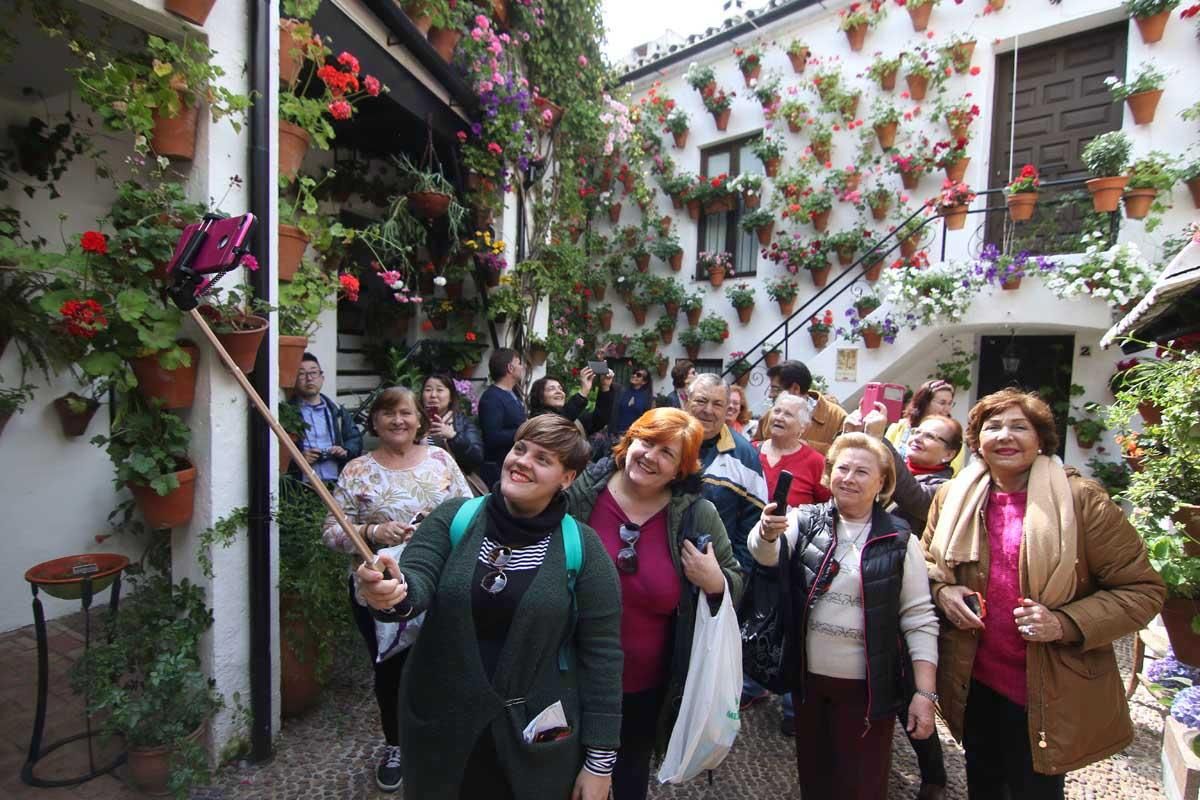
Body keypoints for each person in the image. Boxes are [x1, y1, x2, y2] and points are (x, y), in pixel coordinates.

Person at [354, 415, 623, 800]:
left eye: (543, 459)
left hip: (533, 736)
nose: (522, 462)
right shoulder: (454, 517)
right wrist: (391, 591)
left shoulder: (584, 549)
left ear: (567, 478)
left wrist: (599, 764)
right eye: (520, 448)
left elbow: (604, 657)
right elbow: (416, 578)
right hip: (444, 728)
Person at [923, 389, 1165, 800]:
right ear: (976, 439)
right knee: (983, 783)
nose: (1005, 436)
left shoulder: (1080, 500)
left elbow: (1143, 589)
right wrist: (942, 590)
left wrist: (1064, 622)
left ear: (1042, 439)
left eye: (1020, 427)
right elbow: (926, 562)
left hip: (1045, 686)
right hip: (973, 679)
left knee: (1035, 789)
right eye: (992, 427)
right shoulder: (954, 496)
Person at [563, 408, 743, 800]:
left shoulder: (697, 514)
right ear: (629, 441)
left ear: (681, 469)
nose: (650, 456)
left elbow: (735, 579)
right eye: (646, 442)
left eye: (667, 453)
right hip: (569, 674)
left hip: (646, 687)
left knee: (628, 779)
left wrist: (714, 581)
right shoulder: (580, 494)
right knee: (560, 777)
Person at [750, 433, 940, 800]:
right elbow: (764, 555)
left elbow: (919, 618)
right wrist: (766, 532)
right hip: (809, 684)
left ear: (882, 482)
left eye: (862, 471)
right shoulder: (803, 520)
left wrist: (924, 693)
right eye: (842, 468)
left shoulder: (901, 540)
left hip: (868, 691)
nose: (849, 478)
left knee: (860, 785)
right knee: (816, 780)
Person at [322, 386, 472, 792]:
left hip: (440, 583)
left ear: (420, 419)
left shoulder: (442, 461)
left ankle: (439, 736)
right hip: (379, 590)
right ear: (374, 422)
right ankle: (397, 744)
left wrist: (438, 529)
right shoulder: (356, 470)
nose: (397, 420)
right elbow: (331, 533)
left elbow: (471, 512)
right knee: (391, 671)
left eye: (405, 412)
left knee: (443, 662)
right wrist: (372, 530)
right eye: (387, 413)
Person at [845, 406, 963, 798]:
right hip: (867, 595)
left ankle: (933, 776)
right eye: (917, 430)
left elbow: (912, 496)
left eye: (932, 437)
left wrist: (879, 441)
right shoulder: (898, 473)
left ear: (948, 454)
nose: (919, 437)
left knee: (908, 689)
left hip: (903, 604)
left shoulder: (943, 487)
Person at [741, 391, 831, 731]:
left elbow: (827, 506)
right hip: (749, 546)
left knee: (791, 622)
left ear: (803, 427)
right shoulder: (749, 450)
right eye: (776, 410)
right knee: (752, 615)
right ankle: (752, 684)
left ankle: (794, 705)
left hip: (794, 557)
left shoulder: (814, 462)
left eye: (789, 415)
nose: (779, 417)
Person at [684, 373, 768, 571]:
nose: (708, 410)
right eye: (701, 401)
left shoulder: (744, 456)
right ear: (687, 402)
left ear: (727, 410)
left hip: (713, 575)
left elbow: (754, 522)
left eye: (717, 404)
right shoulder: (665, 441)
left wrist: (734, 574)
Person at [291, 352, 363, 483]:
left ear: (322, 378)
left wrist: (345, 451)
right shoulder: (288, 413)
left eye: (314, 373)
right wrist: (298, 459)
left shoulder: (337, 411)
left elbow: (355, 439)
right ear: (293, 379)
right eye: (302, 374)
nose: (309, 378)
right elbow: (275, 451)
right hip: (301, 485)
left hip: (336, 483)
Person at [766, 360, 846, 455]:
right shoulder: (773, 414)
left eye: (775, 389)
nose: (770, 395)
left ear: (795, 388)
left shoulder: (837, 417)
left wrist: (807, 446)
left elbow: (845, 454)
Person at [886, 379, 966, 474]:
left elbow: (953, 472)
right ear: (925, 402)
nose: (947, 409)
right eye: (942, 403)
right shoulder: (899, 426)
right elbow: (883, 456)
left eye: (950, 403)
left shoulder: (951, 434)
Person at [422, 373, 485, 491]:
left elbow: (476, 458)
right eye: (428, 390)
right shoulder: (414, 423)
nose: (433, 395)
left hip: (452, 487)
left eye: (439, 390)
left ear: (451, 396)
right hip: (422, 485)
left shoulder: (462, 423)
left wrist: (453, 437)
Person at [478, 348, 527, 487]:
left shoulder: (513, 394)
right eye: (519, 363)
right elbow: (492, 436)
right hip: (498, 470)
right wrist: (523, 431)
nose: (522, 367)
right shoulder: (492, 398)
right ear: (510, 368)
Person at [528, 368, 597, 432]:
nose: (559, 392)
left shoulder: (559, 415)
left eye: (560, 389)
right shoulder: (539, 421)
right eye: (551, 388)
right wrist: (584, 390)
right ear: (539, 396)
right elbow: (563, 418)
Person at [607, 366, 655, 439]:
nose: (634, 375)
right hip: (616, 434)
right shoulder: (622, 390)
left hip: (634, 436)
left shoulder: (647, 398)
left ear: (644, 382)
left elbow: (648, 420)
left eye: (638, 375)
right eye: (634, 373)